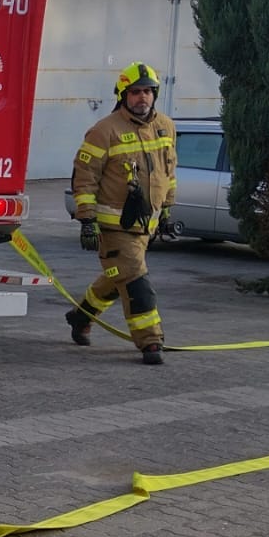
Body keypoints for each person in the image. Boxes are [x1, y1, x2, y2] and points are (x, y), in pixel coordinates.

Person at [67, 60, 177, 365]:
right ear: (123, 95)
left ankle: (80, 317)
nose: (142, 98)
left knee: (116, 278)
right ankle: (150, 342)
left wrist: (166, 209)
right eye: (135, 92)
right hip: (113, 228)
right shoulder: (105, 131)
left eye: (147, 91)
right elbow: (84, 176)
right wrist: (87, 219)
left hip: (146, 227)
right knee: (135, 283)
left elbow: (170, 171)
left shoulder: (166, 126)